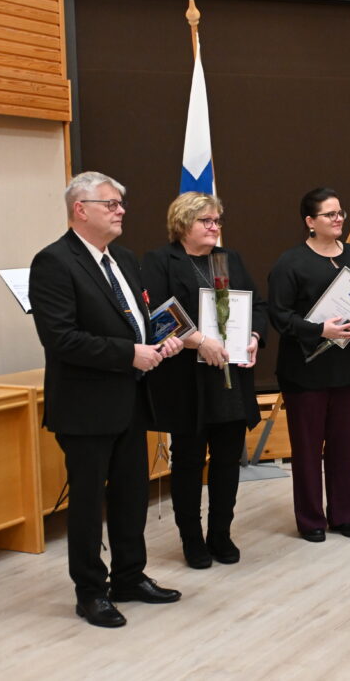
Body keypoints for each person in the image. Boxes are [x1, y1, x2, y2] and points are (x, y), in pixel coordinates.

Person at [28, 171, 184, 628]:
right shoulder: (54, 262)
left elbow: (137, 321)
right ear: (80, 209)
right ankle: (91, 592)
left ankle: (130, 577)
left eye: (120, 204)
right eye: (111, 204)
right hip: (85, 406)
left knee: (132, 495)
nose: (121, 211)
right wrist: (129, 354)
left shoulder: (125, 260)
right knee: (87, 503)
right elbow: (61, 339)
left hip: (130, 399)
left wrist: (161, 342)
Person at [142, 192, 268, 568]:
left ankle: (221, 534)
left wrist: (254, 337)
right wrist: (199, 341)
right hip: (186, 379)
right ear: (183, 224)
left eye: (217, 221)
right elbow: (157, 315)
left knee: (228, 461)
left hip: (230, 378)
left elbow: (258, 306)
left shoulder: (228, 260)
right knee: (188, 462)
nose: (215, 227)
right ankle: (192, 539)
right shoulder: (160, 261)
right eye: (206, 221)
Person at [268, 188, 350, 542]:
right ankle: (311, 519)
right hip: (306, 372)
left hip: (349, 368)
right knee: (307, 448)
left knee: (345, 446)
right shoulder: (290, 262)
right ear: (310, 222)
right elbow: (279, 315)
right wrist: (319, 330)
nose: (338, 218)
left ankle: (346, 515)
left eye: (340, 212)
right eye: (330, 214)